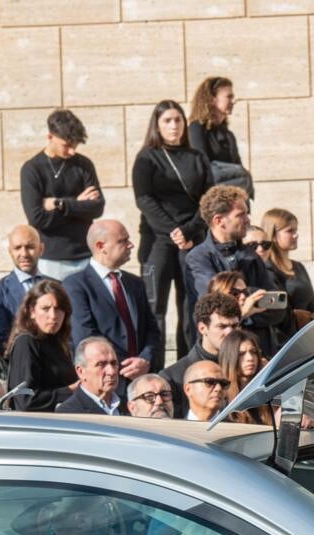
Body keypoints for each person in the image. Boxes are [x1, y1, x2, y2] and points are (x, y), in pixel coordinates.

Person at [132, 99, 207, 355]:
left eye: (178, 120)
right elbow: (144, 199)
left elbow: (209, 200)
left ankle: (191, 365)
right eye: (167, 121)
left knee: (191, 308)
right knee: (155, 309)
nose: (174, 126)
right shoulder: (147, 157)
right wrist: (174, 231)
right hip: (158, 241)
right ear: (157, 125)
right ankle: (152, 367)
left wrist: (189, 230)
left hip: (191, 239)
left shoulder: (197, 158)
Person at [185, 184, 285, 354]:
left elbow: (277, 309)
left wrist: (244, 309)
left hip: (259, 351)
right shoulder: (199, 258)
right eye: (240, 215)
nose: (248, 220)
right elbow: (215, 308)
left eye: (247, 213)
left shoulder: (251, 255)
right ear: (219, 221)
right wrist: (247, 307)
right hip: (222, 354)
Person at [64, 219, 158, 383]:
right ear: (101, 246)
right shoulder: (76, 285)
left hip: (141, 378)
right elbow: (85, 336)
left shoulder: (135, 283)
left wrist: (145, 359)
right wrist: (124, 366)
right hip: (104, 380)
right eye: (123, 241)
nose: (130, 245)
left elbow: (152, 329)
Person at [20, 109, 105, 280]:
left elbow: (96, 208)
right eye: (66, 145)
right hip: (50, 259)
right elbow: (37, 219)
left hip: (86, 255)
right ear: (50, 137)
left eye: (75, 146)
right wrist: (78, 204)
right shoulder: (32, 169)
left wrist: (60, 204)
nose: (72, 151)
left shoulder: (84, 165)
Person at [2, 277, 75, 412]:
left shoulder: (61, 344)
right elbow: (25, 400)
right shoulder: (26, 343)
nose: (53, 316)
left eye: (59, 309)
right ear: (32, 312)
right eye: (45, 309)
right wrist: (71, 390)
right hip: (35, 423)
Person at [162, 291, 240, 413]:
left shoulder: (249, 366)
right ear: (202, 328)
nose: (230, 333)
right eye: (222, 326)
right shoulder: (173, 378)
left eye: (234, 326)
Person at [187, 76, 253, 197]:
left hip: (230, 199)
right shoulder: (196, 129)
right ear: (212, 99)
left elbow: (238, 169)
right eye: (229, 97)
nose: (233, 101)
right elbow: (203, 169)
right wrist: (239, 174)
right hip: (208, 198)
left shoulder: (228, 136)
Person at [0, 225, 43, 353]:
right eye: (17, 248)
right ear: (10, 251)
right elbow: (0, 340)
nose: (24, 254)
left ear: (41, 249)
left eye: (30, 247)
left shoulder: (58, 286)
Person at [260, 209, 314, 320]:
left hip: (307, 327)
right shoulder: (267, 268)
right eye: (290, 231)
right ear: (273, 235)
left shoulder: (298, 267)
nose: (296, 235)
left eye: (295, 230)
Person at [54, 337, 126, 416]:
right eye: (100, 364)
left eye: (114, 363)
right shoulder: (69, 413)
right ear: (81, 372)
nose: (111, 371)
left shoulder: (128, 406)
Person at [216, 330, 269, 425]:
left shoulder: (266, 392)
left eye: (253, 352)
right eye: (241, 354)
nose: (250, 358)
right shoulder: (221, 398)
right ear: (230, 359)